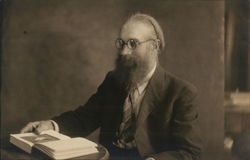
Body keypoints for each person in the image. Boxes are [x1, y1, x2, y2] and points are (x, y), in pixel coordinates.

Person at [21, 13, 202, 160]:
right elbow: (85, 117)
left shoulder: (181, 92)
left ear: (154, 46)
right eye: (121, 44)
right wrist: (52, 125)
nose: (124, 52)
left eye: (133, 44)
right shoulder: (114, 81)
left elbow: (189, 152)